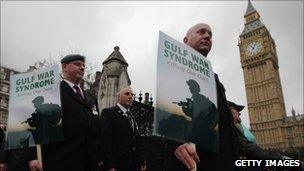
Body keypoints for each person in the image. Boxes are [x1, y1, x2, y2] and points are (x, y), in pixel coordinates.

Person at [174, 23, 237, 170]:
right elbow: (172, 112)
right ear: (185, 40)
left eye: (210, 34)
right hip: (198, 160)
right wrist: (178, 144)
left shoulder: (213, 76)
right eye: (201, 32)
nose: (207, 36)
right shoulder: (175, 68)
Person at [30, 54, 101, 171]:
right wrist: (33, 156)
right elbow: (36, 126)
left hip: (89, 163)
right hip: (62, 161)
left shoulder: (90, 98)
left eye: (83, 65)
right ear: (64, 67)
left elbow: (96, 129)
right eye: (77, 64)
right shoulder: (53, 92)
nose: (82, 68)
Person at [99, 86, 143, 171]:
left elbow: (135, 142)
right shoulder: (109, 113)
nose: (130, 97)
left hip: (133, 165)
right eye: (127, 94)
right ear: (118, 97)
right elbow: (105, 141)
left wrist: (140, 161)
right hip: (118, 164)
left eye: (132, 95)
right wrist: (110, 165)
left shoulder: (132, 117)